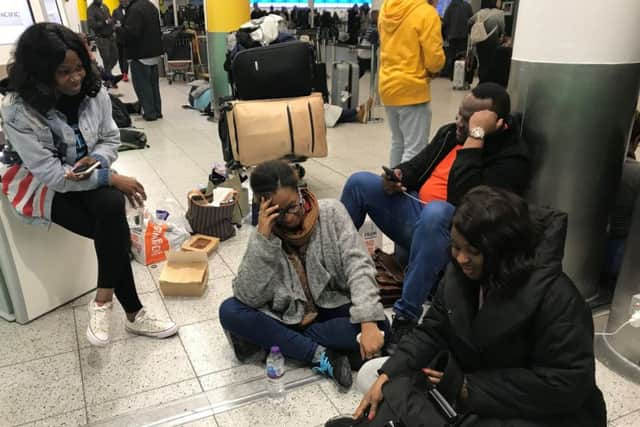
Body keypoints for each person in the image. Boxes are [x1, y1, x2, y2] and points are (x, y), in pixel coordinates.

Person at [326, 186, 607, 427]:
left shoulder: (558, 298)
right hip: (473, 390)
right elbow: (431, 331)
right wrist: (388, 373)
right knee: (374, 378)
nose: (460, 259)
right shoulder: (463, 276)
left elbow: (565, 385)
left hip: (540, 412)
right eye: (455, 247)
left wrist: (466, 387)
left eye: (473, 251)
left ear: (502, 250)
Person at [0, 23, 178, 346]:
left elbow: (110, 138)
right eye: (63, 72)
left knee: (111, 211)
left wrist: (97, 160)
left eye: (79, 67)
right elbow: (53, 176)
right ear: (41, 73)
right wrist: (110, 176)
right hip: (40, 186)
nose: (76, 78)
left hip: (88, 171)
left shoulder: (94, 92)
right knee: (113, 227)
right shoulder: (18, 110)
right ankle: (132, 313)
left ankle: (105, 300)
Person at [341, 83, 530, 352]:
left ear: (495, 123)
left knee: (438, 211)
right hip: (419, 215)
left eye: (470, 119)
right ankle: (334, 271)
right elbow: (418, 165)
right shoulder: (450, 134)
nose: (459, 122)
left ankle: (406, 317)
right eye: (460, 114)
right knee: (359, 182)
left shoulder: (511, 157)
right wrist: (398, 176)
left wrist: (474, 139)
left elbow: (468, 202)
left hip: (452, 233)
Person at [219, 160, 390, 388]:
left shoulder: (331, 213)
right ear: (263, 206)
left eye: (292, 206)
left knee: (380, 324)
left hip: (331, 307)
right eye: (278, 212)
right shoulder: (264, 233)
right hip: (288, 316)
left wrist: (368, 323)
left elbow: (358, 265)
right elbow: (248, 296)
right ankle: (321, 354)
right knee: (230, 311)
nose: (289, 218)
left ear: (301, 192)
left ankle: (284, 344)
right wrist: (263, 240)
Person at [378, 0, 445, 167]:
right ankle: (405, 190)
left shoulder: (387, 8)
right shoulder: (426, 13)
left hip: (387, 84)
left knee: (398, 142)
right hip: (412, 89)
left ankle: (391, 187)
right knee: (415, 148)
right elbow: (434, 60)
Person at [116, 0, 163, 121]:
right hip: (154, 53)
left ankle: (149, 113)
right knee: (153, 86)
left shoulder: (134, 10)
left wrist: (118, 29)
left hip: (140, 54)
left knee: (143, 86)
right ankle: (157, 111)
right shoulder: (151, 6)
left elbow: (132, 34)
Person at [470, 0, 506, 84]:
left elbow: (469, 22)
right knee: (491, 62)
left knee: (482, 63)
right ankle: (488, 81)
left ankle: (481, 81)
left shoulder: (480, 12)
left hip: (480, 41)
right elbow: (502, 28)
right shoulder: (500, 13)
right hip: (493, 42)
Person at [442, 0, 473, 79]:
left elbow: (445, 21)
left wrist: (445, 35)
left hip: (452, 35)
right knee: (462, 55)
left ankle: (451, 75)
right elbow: (471, 21)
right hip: (463, 35)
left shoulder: (450, 6)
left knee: (451, 56)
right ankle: (460, 76)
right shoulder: (467, 6)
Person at [87, 0, 118, 79]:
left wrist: (113, 23)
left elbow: (110, 17)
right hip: (101, 39)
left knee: (115, 56)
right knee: (106, 59)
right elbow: (92, 24)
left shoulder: (104, 6)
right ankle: (109, 77)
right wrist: (104, 22)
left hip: (111, 36)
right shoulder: (91, 9)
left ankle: (106, 73)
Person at [356, 10, 379, 79]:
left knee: (361, 71)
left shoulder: (372, 25)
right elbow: (372, 40)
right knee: (361, 71)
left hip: (364, 52)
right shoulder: (375, 27)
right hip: (366, 53)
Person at [112, 0, 128, 82]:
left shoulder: (129, 9)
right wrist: (117, 25)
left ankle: (125, 73)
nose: (124, 2)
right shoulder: (115, 11)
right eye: (123, 1)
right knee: (120, 56)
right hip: (118, 38)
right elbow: (113, 24)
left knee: (125, 56)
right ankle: (123, 72)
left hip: (127, 37)